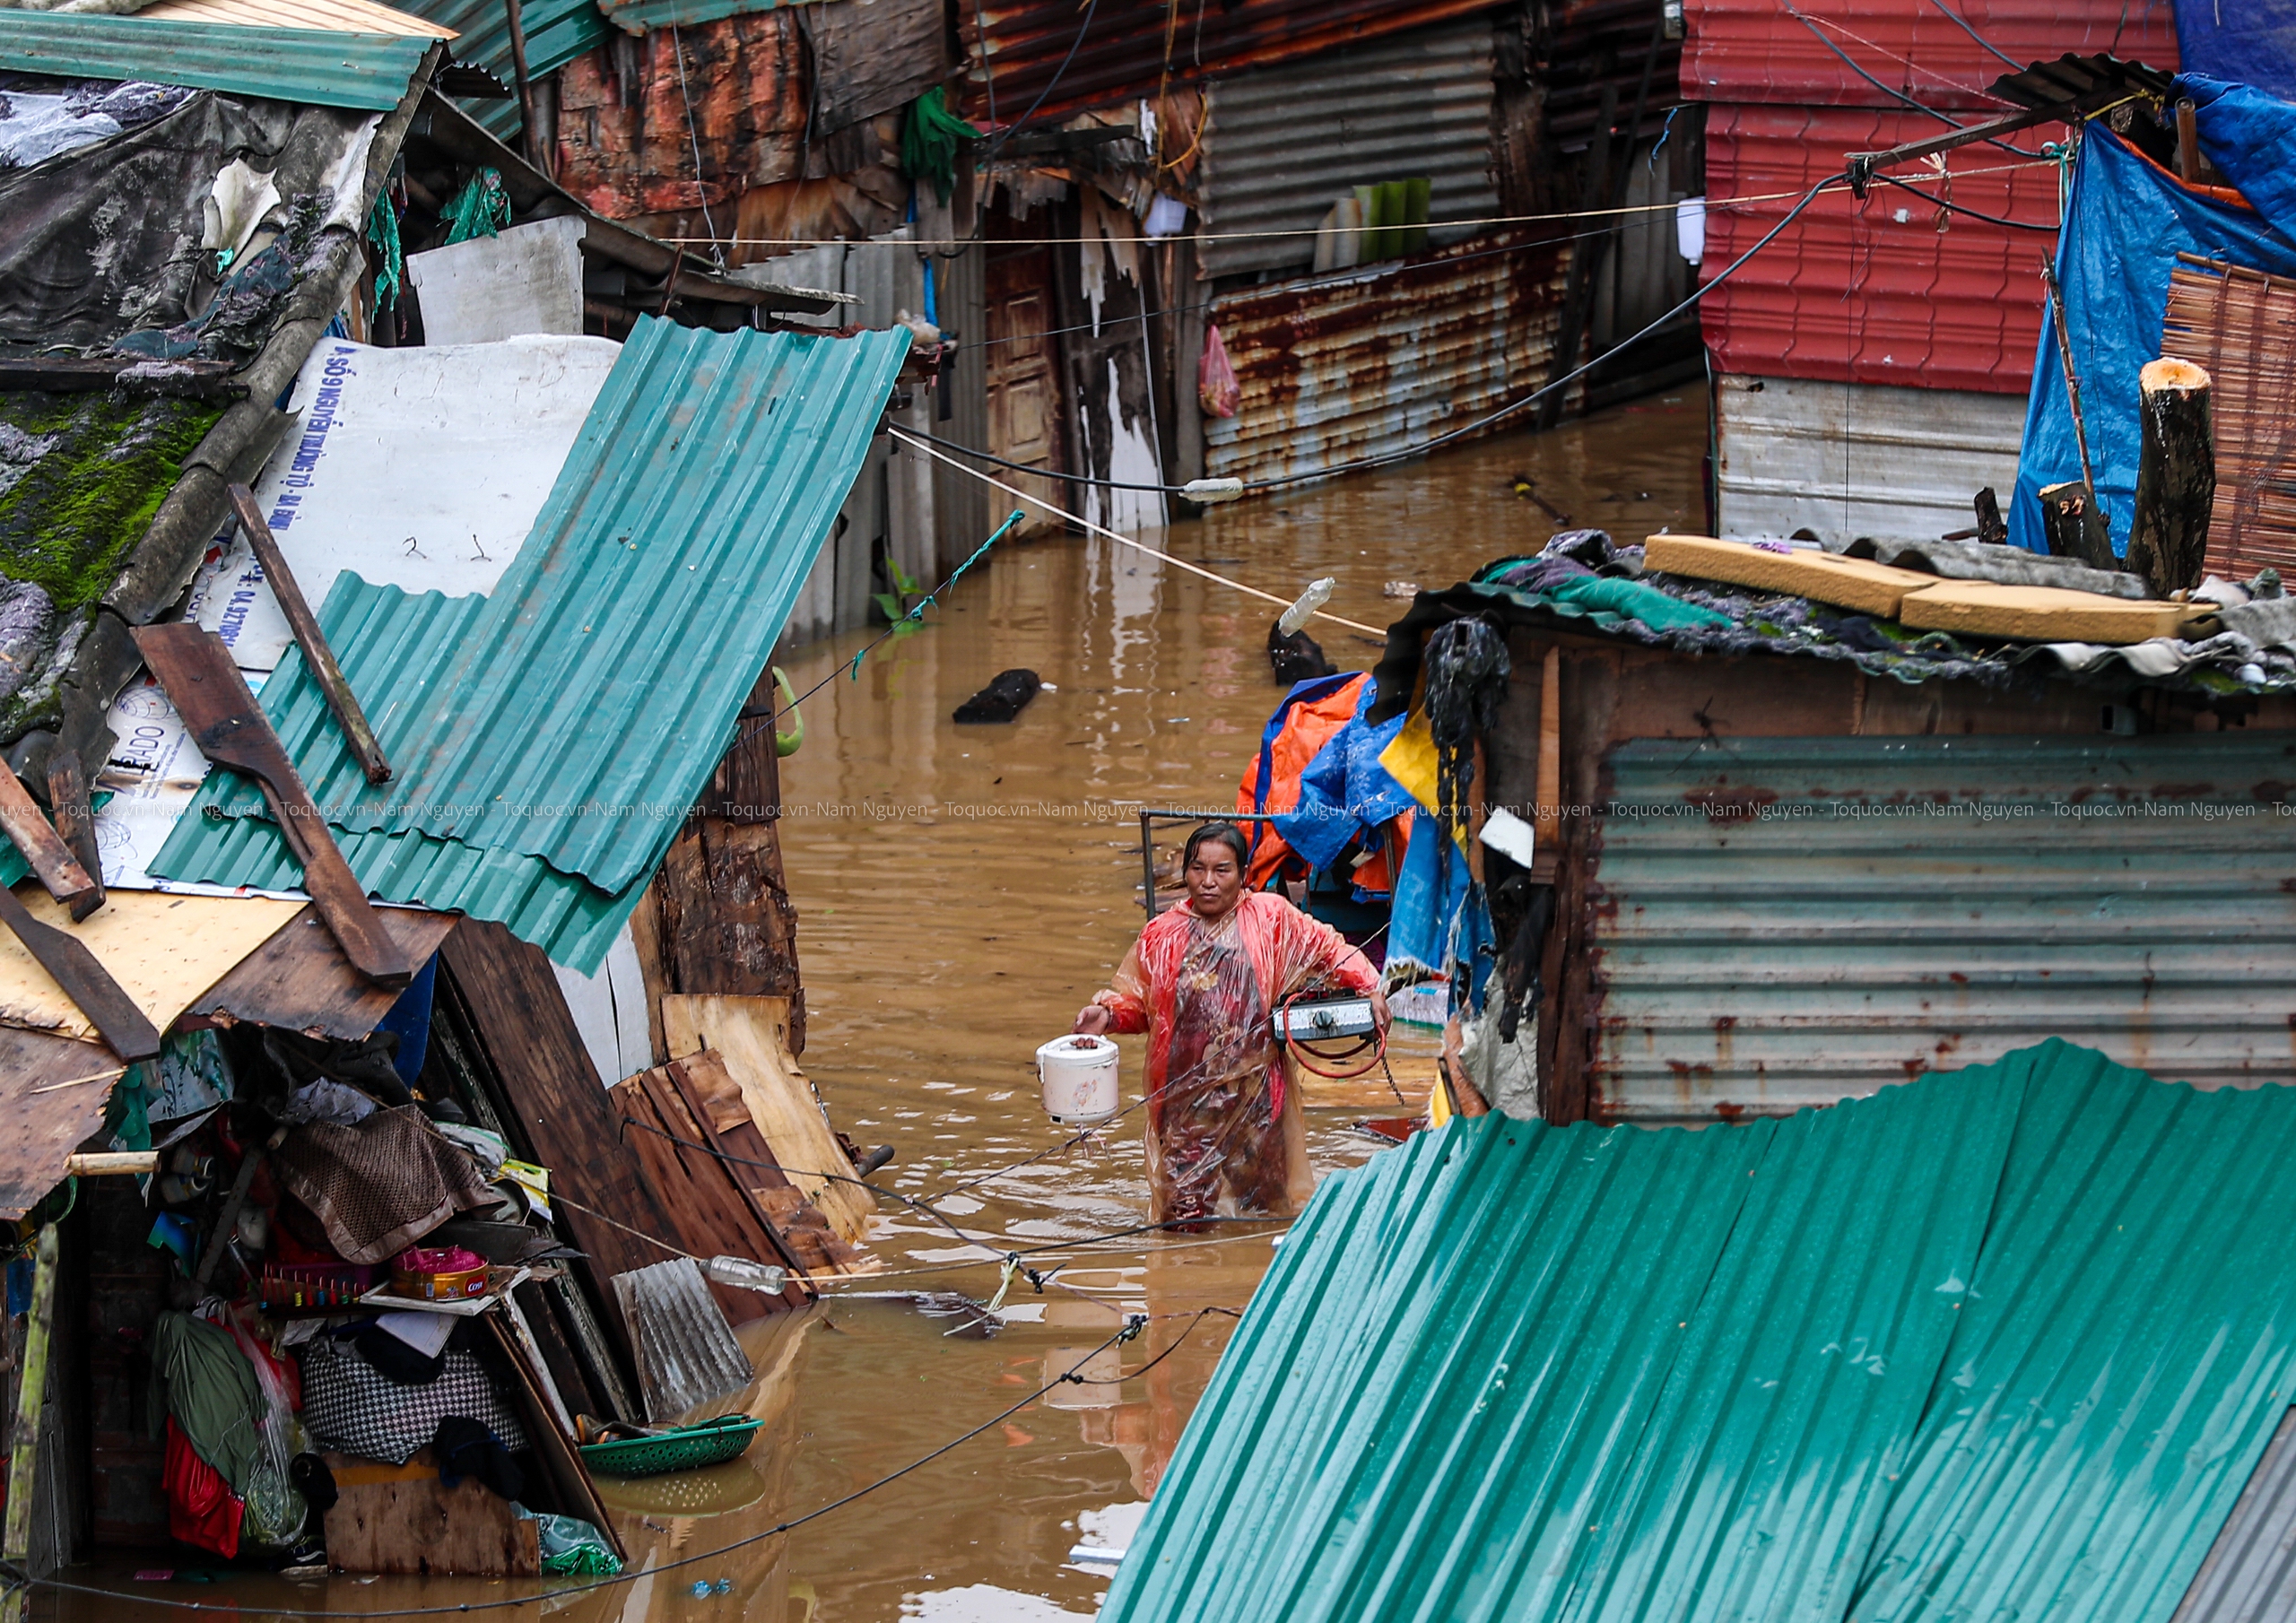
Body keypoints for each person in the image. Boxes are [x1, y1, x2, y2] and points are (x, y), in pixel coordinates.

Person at [1074, 820, 1387, 1226]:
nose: (1208, 882)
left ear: (1242, 875)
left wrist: (1371, 986)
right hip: (1184, 1100)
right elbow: (1143, 1007)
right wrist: (1109, 1015)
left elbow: (1329, 948)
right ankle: (1183, 1283)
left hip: (1256, 1094)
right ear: (1185, 872)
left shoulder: (1270, 919)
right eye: (1197, 869)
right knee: (1183, 1216)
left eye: (1221, 871)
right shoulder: (1161, 934)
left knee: (1263, 1210)